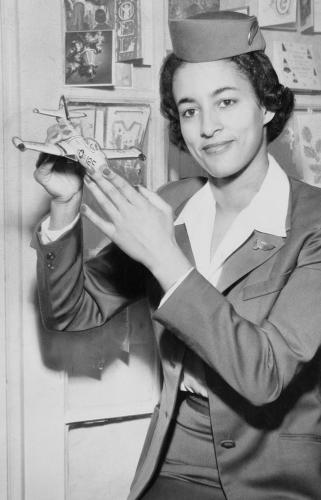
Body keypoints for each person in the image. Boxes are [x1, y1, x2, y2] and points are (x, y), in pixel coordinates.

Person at [33, 11, 321, 500]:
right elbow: (70, 313)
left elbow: (265, 374)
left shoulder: (312, 224)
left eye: (226, 101)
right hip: (173, 464)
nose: (207, 127)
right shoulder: (170, 204)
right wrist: (64, 206)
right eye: (189, 110)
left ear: (267, 107)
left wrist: (164, 256)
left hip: (276, 477)